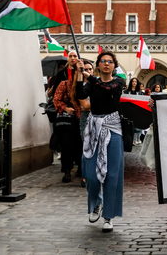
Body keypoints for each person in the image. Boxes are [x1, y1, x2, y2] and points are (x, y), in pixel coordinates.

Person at [76, 50, 126, 233]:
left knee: (112, 175)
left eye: (110, 61)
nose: (106, 64)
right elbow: (80, 93)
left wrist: (91, 78)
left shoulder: (118, 82)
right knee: (91, 175)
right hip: (93, 128)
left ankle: (108, 216)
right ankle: (97, 203)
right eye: (103, 61)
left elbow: (108, 90)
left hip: (113, 129)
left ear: (114, 65)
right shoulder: (92, 84)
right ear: (98, 64)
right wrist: (80, 74)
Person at [53, 50, 83, 184]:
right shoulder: (62, 75)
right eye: (70, 56)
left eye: (75, 56)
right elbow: (55, 95)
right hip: (67, 114)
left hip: (81, 114)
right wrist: (65, 107)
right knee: (67, 144)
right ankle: (67, 170)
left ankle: (81, 168)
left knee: (80, 143)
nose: (72, 58)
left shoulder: (82, 71)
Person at [78, 60, 94, 188]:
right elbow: (84, 105)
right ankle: (85, 176)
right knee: (86, 146)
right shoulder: (80, 86)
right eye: (86, 69)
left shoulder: (96, 84)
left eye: (90, 69)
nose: (88, 71)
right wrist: (99, 103)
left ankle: (94, 174)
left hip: (97, 117)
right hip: (85, 117)